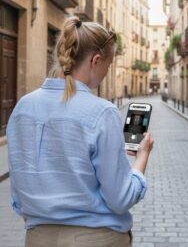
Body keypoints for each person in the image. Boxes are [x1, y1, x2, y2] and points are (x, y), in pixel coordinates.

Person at [6, 16, 154, 247]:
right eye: (109, 64)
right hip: (95, 238)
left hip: (37, 238)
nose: (107, 71)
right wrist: (142, 157)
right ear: (96, 60)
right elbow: (121, 198)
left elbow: (18, 194)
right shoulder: (102, 112)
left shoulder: (22, 108)